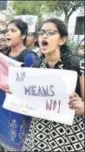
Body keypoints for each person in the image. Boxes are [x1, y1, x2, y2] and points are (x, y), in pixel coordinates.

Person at [22, 18, 84, 151]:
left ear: (62, 40)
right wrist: (18, 92)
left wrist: (82, 107)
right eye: (42, 32)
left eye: (51, 33)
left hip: (69, 135)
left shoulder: (78, 65)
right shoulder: (36, 67)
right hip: (40, 133)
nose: (44, 36)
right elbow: (30, 99)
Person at [0, 19, 39, 151]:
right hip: (3, 104)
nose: (8, 34)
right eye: (7, 30)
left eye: (13, 30)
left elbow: (34, 88)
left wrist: (18, 89)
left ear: (24, 35)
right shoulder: (5, 55)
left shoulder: (29, 57)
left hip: (19, 110)